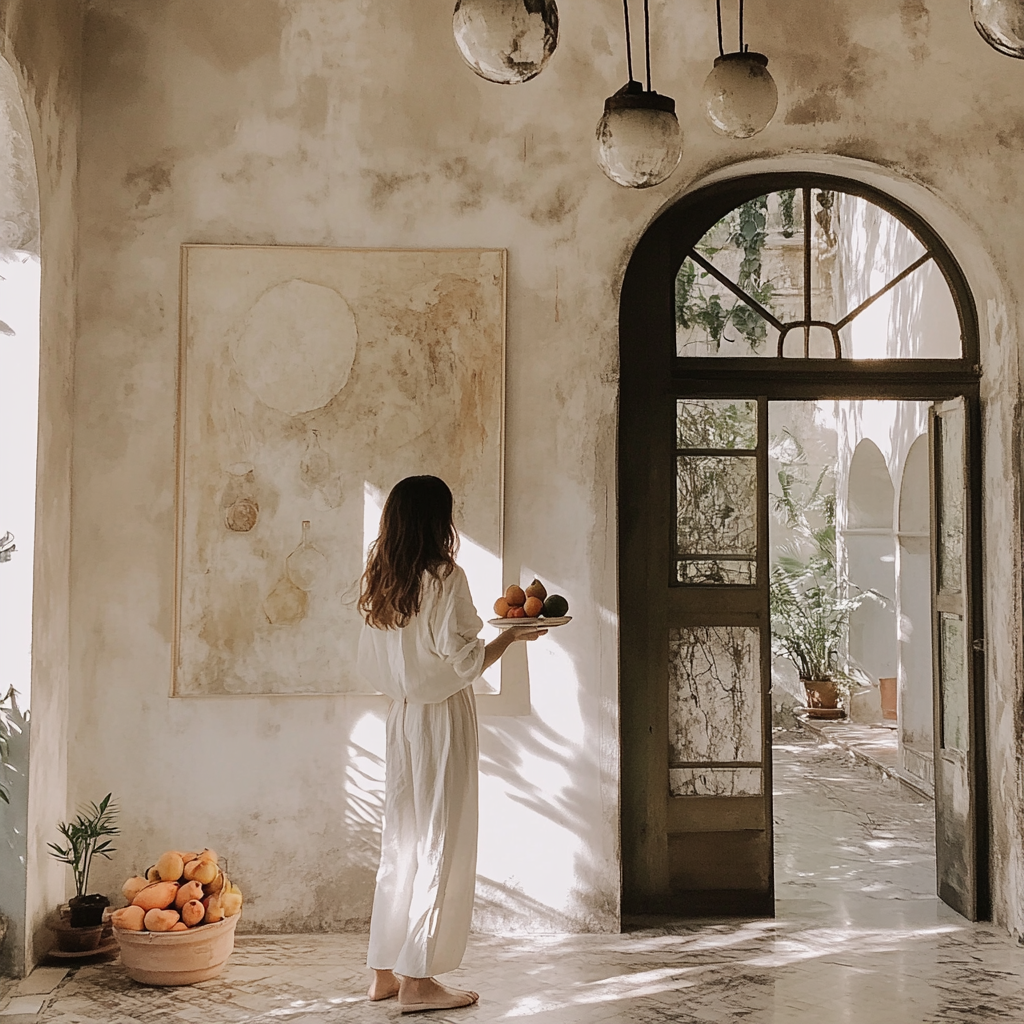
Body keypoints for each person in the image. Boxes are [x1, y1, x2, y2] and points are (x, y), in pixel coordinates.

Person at [357, 475, 545, 1013]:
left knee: (403, 841)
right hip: (441, 719)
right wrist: (510, 636)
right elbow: (464, 662)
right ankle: (419, 982)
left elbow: (374, 661)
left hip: (400, 718)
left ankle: (384, 971)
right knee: (442, 839)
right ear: (438, 519)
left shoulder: (380, 579)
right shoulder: (445, 576)